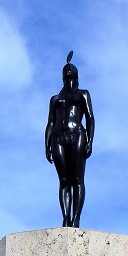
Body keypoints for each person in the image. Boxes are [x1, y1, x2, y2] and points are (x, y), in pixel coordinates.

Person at [45, 51, 95, 228]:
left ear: (76, 74)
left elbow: (90, 118)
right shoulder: (55, 99)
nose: (68, 71)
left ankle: (76, 218)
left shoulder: (83, 94)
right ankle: (66, 217)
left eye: (70, 69)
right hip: (58, 137)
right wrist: (47, 144)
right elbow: (50, 122)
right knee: (64, 181)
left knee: (77, 179)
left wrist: (90, 141)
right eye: (65, 70)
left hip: (77, 134)